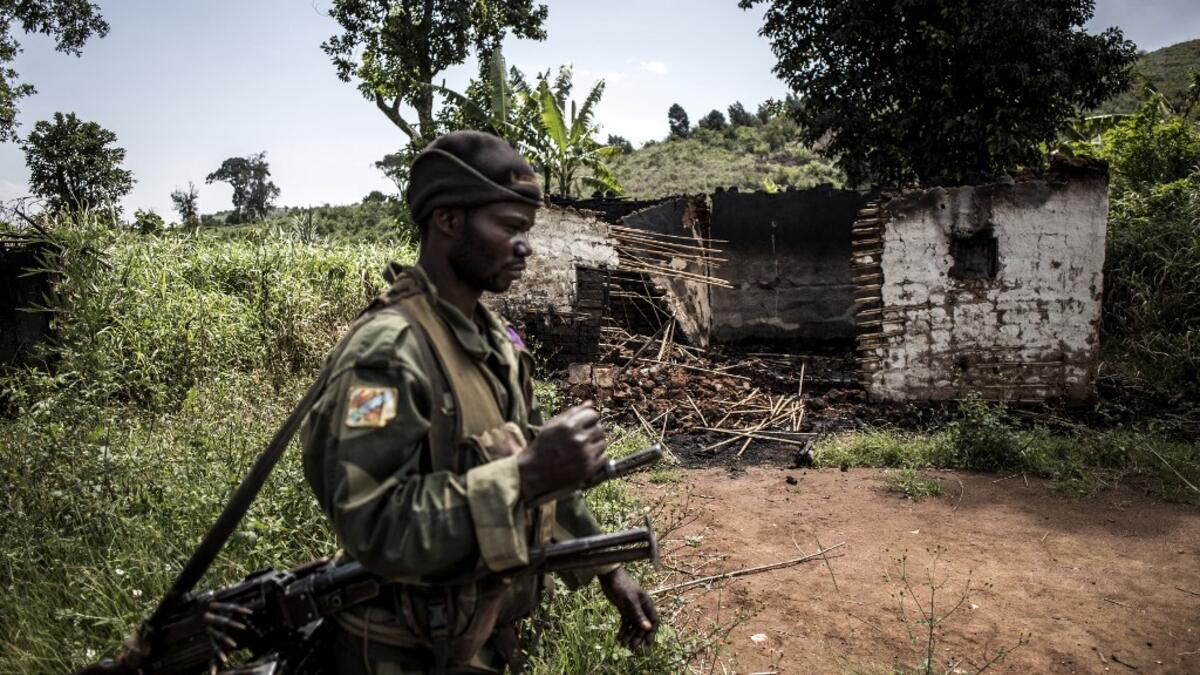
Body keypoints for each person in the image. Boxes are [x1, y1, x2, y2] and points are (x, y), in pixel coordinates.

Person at [300, 130, 658, 674]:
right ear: (449, 220)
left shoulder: (495, 342)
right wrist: (526, 475)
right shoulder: (390, 354)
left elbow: (538, 469)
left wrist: (607, 567)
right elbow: (372, 525)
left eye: (527, 230)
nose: (525, 246)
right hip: (398, 653)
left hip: (480, 638)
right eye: (510, 227)